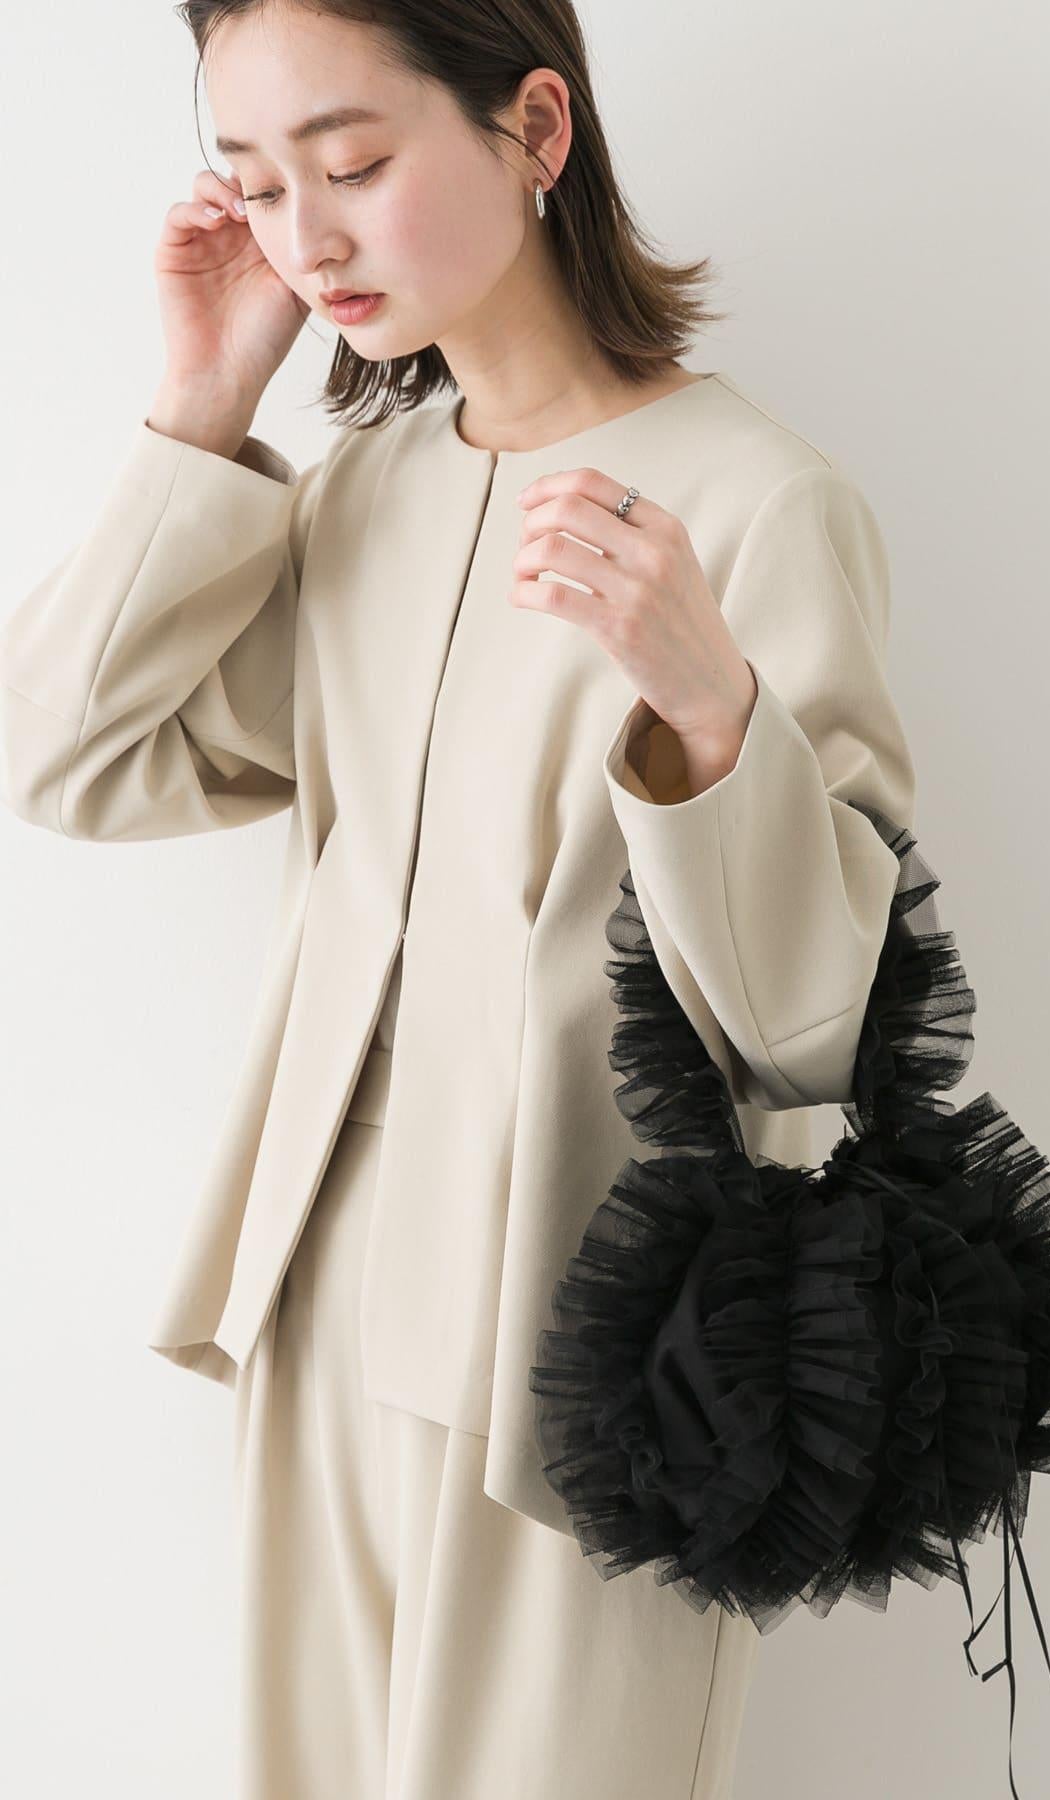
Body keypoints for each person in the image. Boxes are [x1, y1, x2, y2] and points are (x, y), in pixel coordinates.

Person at [0, 2, 918, 1796]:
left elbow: (822, 1028)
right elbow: (65, 758)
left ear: (538, 129)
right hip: (325, 1285)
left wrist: (711, 713)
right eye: (258, 185)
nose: (307, 235)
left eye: (351, 163)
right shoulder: (366, 491)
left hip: (594, 1322)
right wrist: (202, 407)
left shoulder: (760, 505)